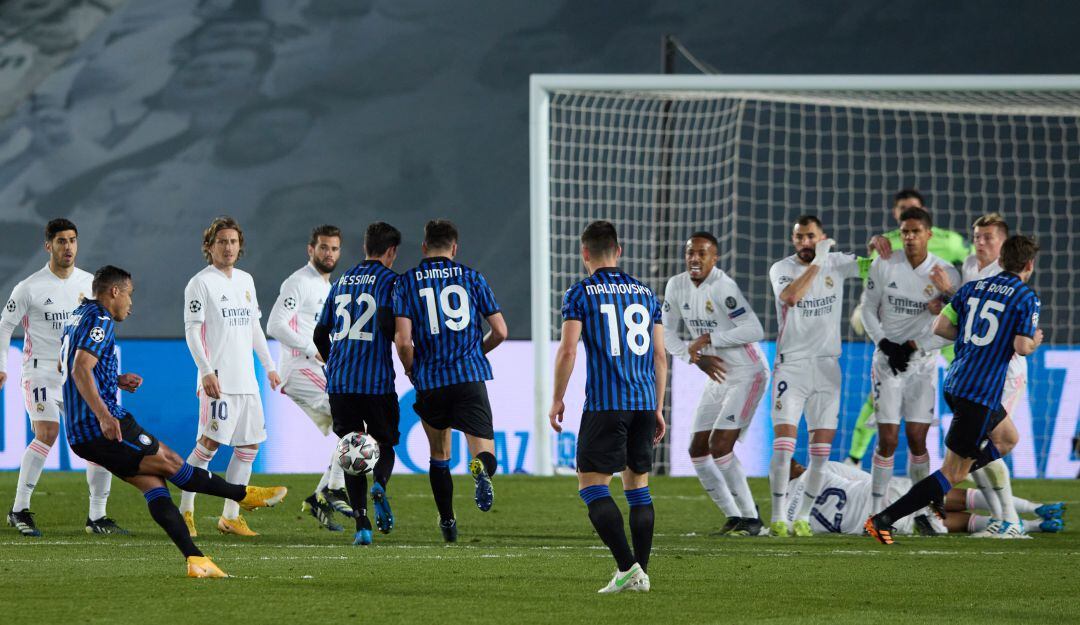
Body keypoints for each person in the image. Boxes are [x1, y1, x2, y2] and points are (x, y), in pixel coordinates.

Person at [60, 264, 286, 578]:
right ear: (114, 291)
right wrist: (103, 414)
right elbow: (80, 370)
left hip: (79, 430)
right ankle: (243, 495)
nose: (130, 302)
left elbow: (80, 368)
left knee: (154, 485)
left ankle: (196, 560)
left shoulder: (77, 314)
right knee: (173, 464)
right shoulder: (99, 318)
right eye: (129, 294)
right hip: (101, 424)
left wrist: (115, 378)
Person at [866, 235, 1042, 544]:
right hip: (981, 391)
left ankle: (952, 473)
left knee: (1007, 438)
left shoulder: (971, 289)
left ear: (1000, 261)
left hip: (958, 380)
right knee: (952, 473)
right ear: (1029, 265)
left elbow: (940, 328)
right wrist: (1035, 340)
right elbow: (1022, 346)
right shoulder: (1026, 297)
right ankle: (884, 519)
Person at [550, 220, 666, 593]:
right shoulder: (647, 294)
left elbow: (569, 350)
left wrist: (557, 397)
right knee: (638, 488)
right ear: (619, 250)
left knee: (592, 486)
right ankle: (639, 573)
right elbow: (660, 357)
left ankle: (628, 568)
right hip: (645, 403)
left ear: (585, 253)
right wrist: (658, 407)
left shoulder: (581, 294)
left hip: (606, 404)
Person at [1, 218, 127, 536]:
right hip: (40, 370)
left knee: (100, 437)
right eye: (61, 241)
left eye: (72, 240)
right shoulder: (28, 287)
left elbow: (96, 336)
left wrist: (115, 376)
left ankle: (97, 517)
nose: (68, 246)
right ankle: (19, 511)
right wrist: (2, 364)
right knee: (47, 432)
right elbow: (5, 325)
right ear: (49, 246)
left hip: (74, 375)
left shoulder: (88, 285)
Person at [393, 220, 507, 542]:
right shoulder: (472, 277)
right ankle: (480, 469)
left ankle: (447, 523)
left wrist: (411, 369)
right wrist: (476, 352)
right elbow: (501, 331)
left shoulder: (407, 282)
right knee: (484, 452)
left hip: (431, 380)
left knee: (439, 455)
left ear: (424, 247)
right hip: (469, 375)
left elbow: (403, 342)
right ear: (454, 248)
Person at [847, 189, 973, 465]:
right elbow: (874, 277)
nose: (910, 233)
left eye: (912, 209)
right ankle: (855, 456)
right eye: (902, 209)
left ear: (926, 221)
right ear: (896, 214)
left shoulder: (949, 241)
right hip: (900, 328)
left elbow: (976, 261)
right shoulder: (887, 242)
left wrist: (949, 294)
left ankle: (970, 446)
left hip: (939, 328)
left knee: (962, 385)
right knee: (882, 390)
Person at [179, 216, 281, 537]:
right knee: (208, 445)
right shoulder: (200, 283)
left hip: (246, 380)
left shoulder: (246, 281)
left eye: (234, 241)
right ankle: (185, 511)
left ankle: (231, 516)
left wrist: (269, 366)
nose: (229, 247)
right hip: (219, 381)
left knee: (249, 446)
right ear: (209, 247)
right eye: (222, 241)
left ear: (240, 246)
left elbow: (254, 329)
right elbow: (192, 331)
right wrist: (206, 371)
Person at [662, 231, 767, 536]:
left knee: (720, 446)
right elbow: (666, 332)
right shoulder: (676, 285)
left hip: (748, 374)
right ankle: (734, 516)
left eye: (702, 253)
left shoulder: (723, 287)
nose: (694, 259)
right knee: (697, 450)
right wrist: (694, 358)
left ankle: (752, 520)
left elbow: (754, 329)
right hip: (717, 375)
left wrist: (711, 338)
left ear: (714, 257)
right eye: (690, 253)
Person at [927, 213, 1025, 536]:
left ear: (1004, 244)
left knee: (988, 444)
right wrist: (946, 300)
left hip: (1002, 373)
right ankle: (1003, 519)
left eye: (988, 238)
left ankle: (1009, 519)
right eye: (977, 236)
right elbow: (969, 317)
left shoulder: (1010, 275)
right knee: (975, 448)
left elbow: (995, 326)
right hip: (973, 373)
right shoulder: (970, 265)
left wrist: (949, 295)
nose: (980, 242)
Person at [766, 215, 862, 537]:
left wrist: (881, 250)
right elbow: (791, 297)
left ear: (822, 236)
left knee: (820, 452)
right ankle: (779, 516)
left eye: (810, 236)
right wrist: (818, 263)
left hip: (827, 367)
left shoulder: (837, 263)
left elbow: (875, 268)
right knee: (784, 446)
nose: (804, 242)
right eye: (799, 237)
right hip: (791, 366)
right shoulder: (781, 269)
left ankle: (803, 517)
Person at [859, 207, 959, 516]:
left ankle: (922, 513)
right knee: (887, 440)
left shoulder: (946, 273)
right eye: (905, 232)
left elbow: (954, 330)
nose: (910, 237)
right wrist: (886, 344)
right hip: (887, 361)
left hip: (922, 364)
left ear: (929, 234)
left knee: (918, 439)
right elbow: (866, 308)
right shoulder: (884, 264)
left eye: (916, 231)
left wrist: (918, 344)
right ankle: (875, 511)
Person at [313, 222, 403, 546]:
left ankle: (362, 525)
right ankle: (379, 483)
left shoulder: (340, 282)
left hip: (340, 383)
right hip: (375, 381)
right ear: (391, 251)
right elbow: (392, 326)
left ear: (365, 246)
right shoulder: (393, 282)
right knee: (386, 444)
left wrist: (333, 364)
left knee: (351, 449)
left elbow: (319, 334)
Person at [266, 224, 349, 532]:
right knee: (351, 417)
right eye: (323, 247)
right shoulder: (299, 282)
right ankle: (333, 488)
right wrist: (310, 348)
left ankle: (320, 497)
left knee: (354, 425)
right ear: (310, 249)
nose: (329, 253)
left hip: (317, 369)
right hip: (299, 368)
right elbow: (275, 325)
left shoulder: (329, 287)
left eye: (334, 248)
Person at [783, 460, 1063, 536]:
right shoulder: (819, 469)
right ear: (795, 469)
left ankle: (1035, 527)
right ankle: (1038, 509)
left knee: (956, 523)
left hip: (873, 525)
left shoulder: (789, 516)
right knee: (957, 496)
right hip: (888, 498)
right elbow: (867, 479)